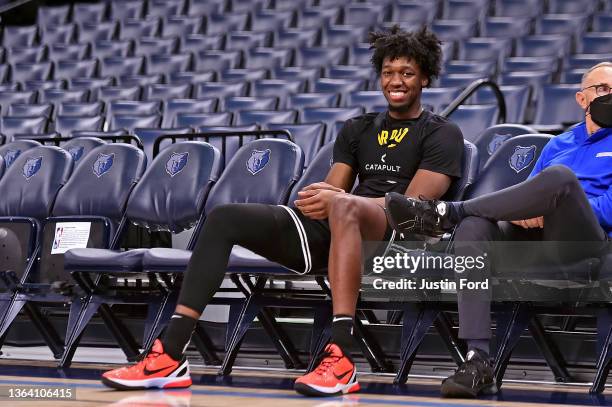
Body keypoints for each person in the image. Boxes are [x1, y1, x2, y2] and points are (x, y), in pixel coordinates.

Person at [101, 25, 464, 397]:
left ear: (425, 78)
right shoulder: (358, 128)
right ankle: (170, 354)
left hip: (397, 237)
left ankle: (340, 358)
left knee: (345, 208)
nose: (396, 81)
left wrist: (340, 200)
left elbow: (413, 208)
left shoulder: (442, 133)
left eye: (406, 73)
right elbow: (334, 187)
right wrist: (323, 196)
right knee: (224, 216)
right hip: (344, 226)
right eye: (388, 72)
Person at [386, 61, 612, 398]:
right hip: (538, 244)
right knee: (475, 227)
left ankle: (447, 213)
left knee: (560, 179)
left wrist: (550, 210)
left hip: (586, 242)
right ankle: (478, 360)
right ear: (582, 99)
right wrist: (529, 212)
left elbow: (608, 209)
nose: (611, 96)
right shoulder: (558, 144)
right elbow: (528, 195)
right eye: (603, 90)